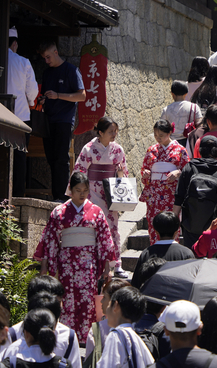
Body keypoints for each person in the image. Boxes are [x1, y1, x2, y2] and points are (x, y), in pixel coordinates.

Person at [33, 172, 116, 342]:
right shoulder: (59, 212)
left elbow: (104, 240)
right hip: (66, 263)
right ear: (70, 190)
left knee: (87, 299)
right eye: (78, 190)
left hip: (88, 263)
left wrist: (107, 269)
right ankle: (67, 336)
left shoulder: (96, 211)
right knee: (67, 299)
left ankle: (86, 337)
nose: (82, 194)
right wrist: (45, 266)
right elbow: (50, 240)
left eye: (85, 190)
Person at [73, 116, 128, 276]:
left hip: (110, 193)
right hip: (92, 192)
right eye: (111, 131)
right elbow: (79, 172)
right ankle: (92, 262)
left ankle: (116, 263)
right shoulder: (89, 148)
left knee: (113, 229)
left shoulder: (117, 149)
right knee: (91, 228)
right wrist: (79, 194)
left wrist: (119, 173)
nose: (114, 134)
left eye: (115, 131)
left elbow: (123, 172)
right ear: (100, 132)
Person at [39, 40, 86, 201]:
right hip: (48, 119)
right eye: (44, 58)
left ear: (56, 52)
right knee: (51, 158)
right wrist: (44, 99)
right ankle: (56, 194)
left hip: (64, 120)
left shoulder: (71, 70)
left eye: (48, 57)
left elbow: (82, 95)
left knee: (61, 158)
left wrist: (58, 95)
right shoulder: (47, 73)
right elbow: (46, 94)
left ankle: (62, 196)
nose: (47, 61)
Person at [174, 134, 217, 248]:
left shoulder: (189, 168)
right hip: (216, 228)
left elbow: (179, 197)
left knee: (192, 259)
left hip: (191, 226)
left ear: (200, 150)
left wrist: (173, 221)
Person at [140, 118, 190, 244]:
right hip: (154, 194)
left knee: (171, 222)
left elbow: (188, 170)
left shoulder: (180, 150)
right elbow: (145, 167)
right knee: (153, 222)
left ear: (169, 133)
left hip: (171, 194)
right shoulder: (151, 150)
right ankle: (154, 249)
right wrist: (146, 173)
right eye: (156, 135)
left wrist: (178, 172)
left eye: (161, 135)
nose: (158, 138)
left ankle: (172, 250)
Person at [7, 28, 38, 196]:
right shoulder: (24, 62)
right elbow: (32, 90)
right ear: (15, 43)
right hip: (20, 115)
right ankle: (18, 193)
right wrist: (31, 102)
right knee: (19, 155)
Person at [131, 211, 194, 289]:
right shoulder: (186, 253)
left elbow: (136, 284)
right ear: (177, 232)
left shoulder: (146, 253)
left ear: (156, 232)